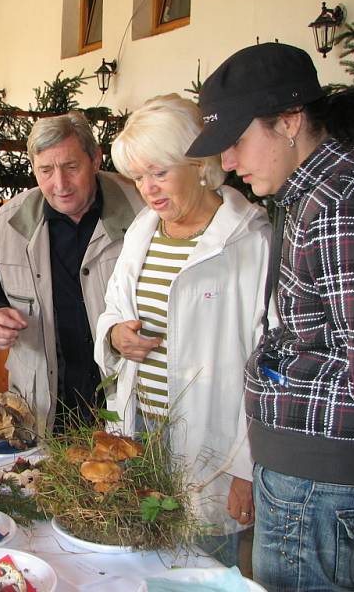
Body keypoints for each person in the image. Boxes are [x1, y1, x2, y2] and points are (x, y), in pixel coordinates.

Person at [186, 42, 354, 591]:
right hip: (313, 480)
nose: (228, 163)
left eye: (235, 141)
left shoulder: (339, 207)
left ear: (289, 121)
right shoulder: (313, 193)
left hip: (326, 487)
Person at [94, 93, 272, 567]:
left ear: (198, 164)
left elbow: (268, 362)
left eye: (159, 172)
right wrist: (115, 336)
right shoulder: (142, 230)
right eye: (138, 176)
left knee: (202, 567)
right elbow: (112, 308)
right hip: (142, 428)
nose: (148, 189)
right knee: (140, 560)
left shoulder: (248, 240)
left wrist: (244, 468)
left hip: (211, 437)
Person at [0, 111, 144, 431]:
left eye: (71, 167)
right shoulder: (10, 224)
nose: (59, 184)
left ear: (96, 159)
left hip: (125, 405)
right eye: (45, 170)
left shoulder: (142, 212)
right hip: (41, 410)